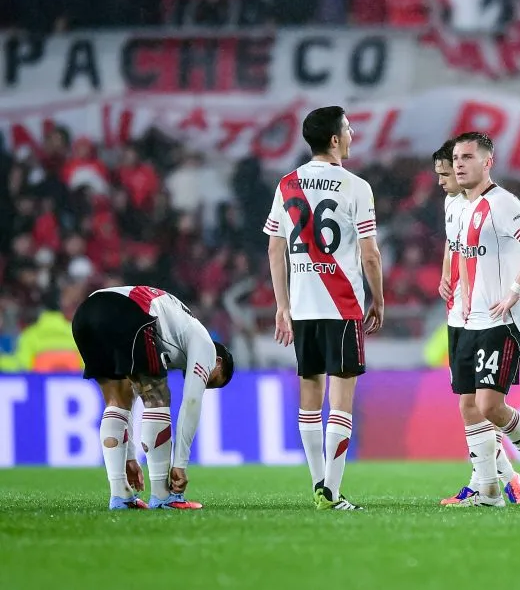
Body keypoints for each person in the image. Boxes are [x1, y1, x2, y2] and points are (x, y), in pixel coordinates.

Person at [264, 106, 385, 512]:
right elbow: (370, 254)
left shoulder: (287, 184)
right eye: (348, 129)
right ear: (334, 139)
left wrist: (282, 306)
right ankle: (331, 492)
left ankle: (319, 484)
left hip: (303, 306)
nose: (351, 135)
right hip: (343, 303)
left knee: (309, 396)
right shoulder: (356, 187)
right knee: (342, 399)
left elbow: (275, 247)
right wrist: (379, 299)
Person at [450, 131, 520, 507]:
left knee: (489, 406)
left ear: (487, 162)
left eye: (467, 157)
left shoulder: (502, 203)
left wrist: (514, 291)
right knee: (468, 405)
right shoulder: (463, 206)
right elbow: (467, 256)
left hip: (503, 322)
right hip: (473, 320)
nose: (459, 164)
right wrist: (465, 297)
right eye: (456, 158)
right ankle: (489, 491)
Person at [71, 285, 234, 510]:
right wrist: (180, 464)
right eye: (213, 380)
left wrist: (129, 457)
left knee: (117, 401)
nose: (206, 383)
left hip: (86, 313)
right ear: (218, 362)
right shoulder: (206, 346)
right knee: (157, 398)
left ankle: (120, 495)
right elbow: (191, 403)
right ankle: (162, 495)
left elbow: (128, 405)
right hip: (129, 312)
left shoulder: (176, 333)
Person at [433, 139, 520, 506]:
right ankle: (503, 481)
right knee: (472, 405)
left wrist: (514, 290)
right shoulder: (453, 204)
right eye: (444, 171)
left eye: (449, 171)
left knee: (479, 404)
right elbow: (452, 243)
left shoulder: (492, 206)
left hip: (483, 314)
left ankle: (492, 481)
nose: (444, 180)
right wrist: (446, 273)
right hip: (459, 312)